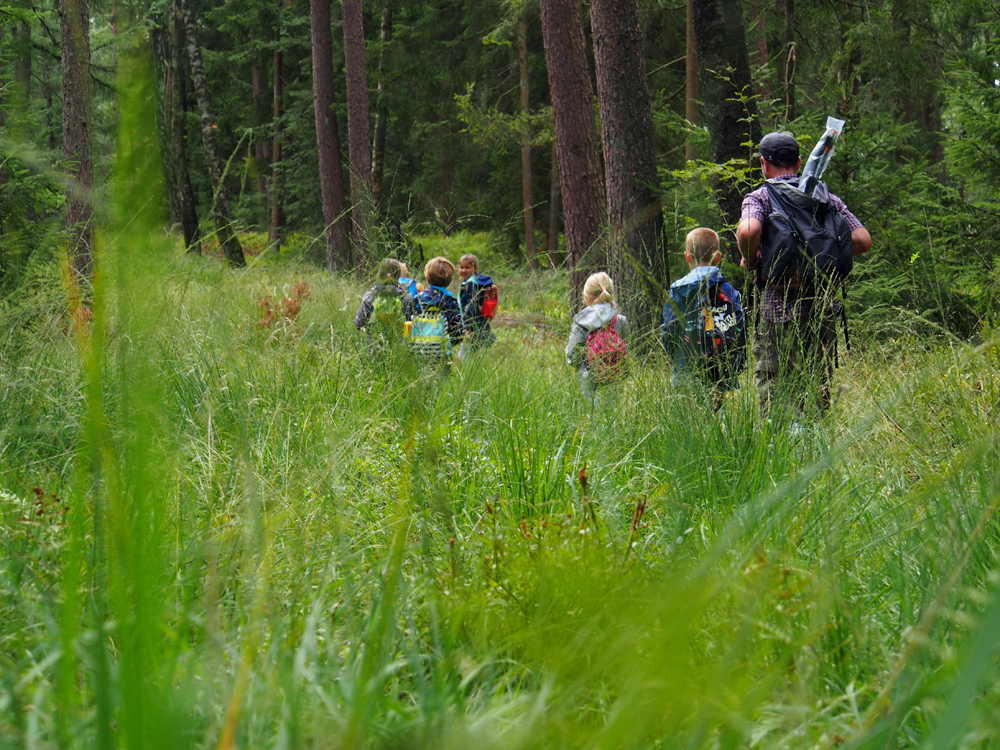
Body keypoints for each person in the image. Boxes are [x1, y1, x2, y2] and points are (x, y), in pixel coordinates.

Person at [736, 131, 872, 422]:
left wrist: (750, 259)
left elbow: (748, 231)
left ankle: (782, 451)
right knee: (816, 383)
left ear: (763, 163)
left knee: (774, 384)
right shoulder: (826, 197)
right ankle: (815, 451)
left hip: (777, 307)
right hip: (822, 308)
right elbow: (862, 240)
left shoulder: (761, 196)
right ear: (798, 162)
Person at [661, 227, 745, 409]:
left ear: (687, 256)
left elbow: (668, 332)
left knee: (690, 424)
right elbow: (741, 328)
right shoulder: (730, 291)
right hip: (723, 372)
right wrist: (738, 364)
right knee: (720, 422)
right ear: (718, 257)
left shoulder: (677, 291)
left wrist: (677, 361)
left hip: (686, 370)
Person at [565, 272, 628, 399]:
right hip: (614, 376)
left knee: (590, 413)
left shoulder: (581, 322)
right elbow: (626, 349)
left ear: (587, 296)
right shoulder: (620, 320)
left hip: (587, 376)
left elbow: (572, 354)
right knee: (612, 411)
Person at [355, 258, 415, 350]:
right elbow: (410, 325)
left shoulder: (370, 296)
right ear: (399, 275)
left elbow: (359, 324)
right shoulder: (405, 297)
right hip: (398, 350)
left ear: (379, 274)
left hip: (374, 349)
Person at [412, 257, 463, 364]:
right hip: (441, 350)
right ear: (451, 281)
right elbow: (458, 328)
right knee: (442, 377)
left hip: (418, 347)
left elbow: (409, 320)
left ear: (427, 278)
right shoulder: (450, 301)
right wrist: (451, 341)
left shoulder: (417, 299)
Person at [457, 253, 497, 355]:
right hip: (475, 322)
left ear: (475, 268)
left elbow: (471, 307)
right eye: (461, 267)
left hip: (472, 323)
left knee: (467, 351)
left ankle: (465, 367)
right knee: (474, 349)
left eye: (467, 267)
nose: (464, 270)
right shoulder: (472, 282)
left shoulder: (472, 285)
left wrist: (466, 326)